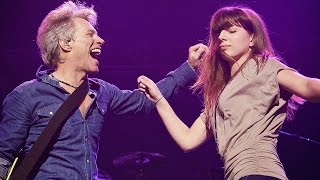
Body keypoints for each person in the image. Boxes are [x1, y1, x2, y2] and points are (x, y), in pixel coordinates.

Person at [0, 1, 201, 180]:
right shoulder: (26, 95)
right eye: (90, 34)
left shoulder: (101, 90)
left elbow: (145, 101)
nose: (101, 40)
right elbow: (3, 158)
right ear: (65, 43)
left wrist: (190, 67)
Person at [138, 6, 320, 180]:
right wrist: (159, 99)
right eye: (218, 32)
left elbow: (308, 87)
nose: (221, 37)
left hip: (260, 172)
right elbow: (188, 140)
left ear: (252, 38)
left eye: (231, 31)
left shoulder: (263, 67)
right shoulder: (221, 93)